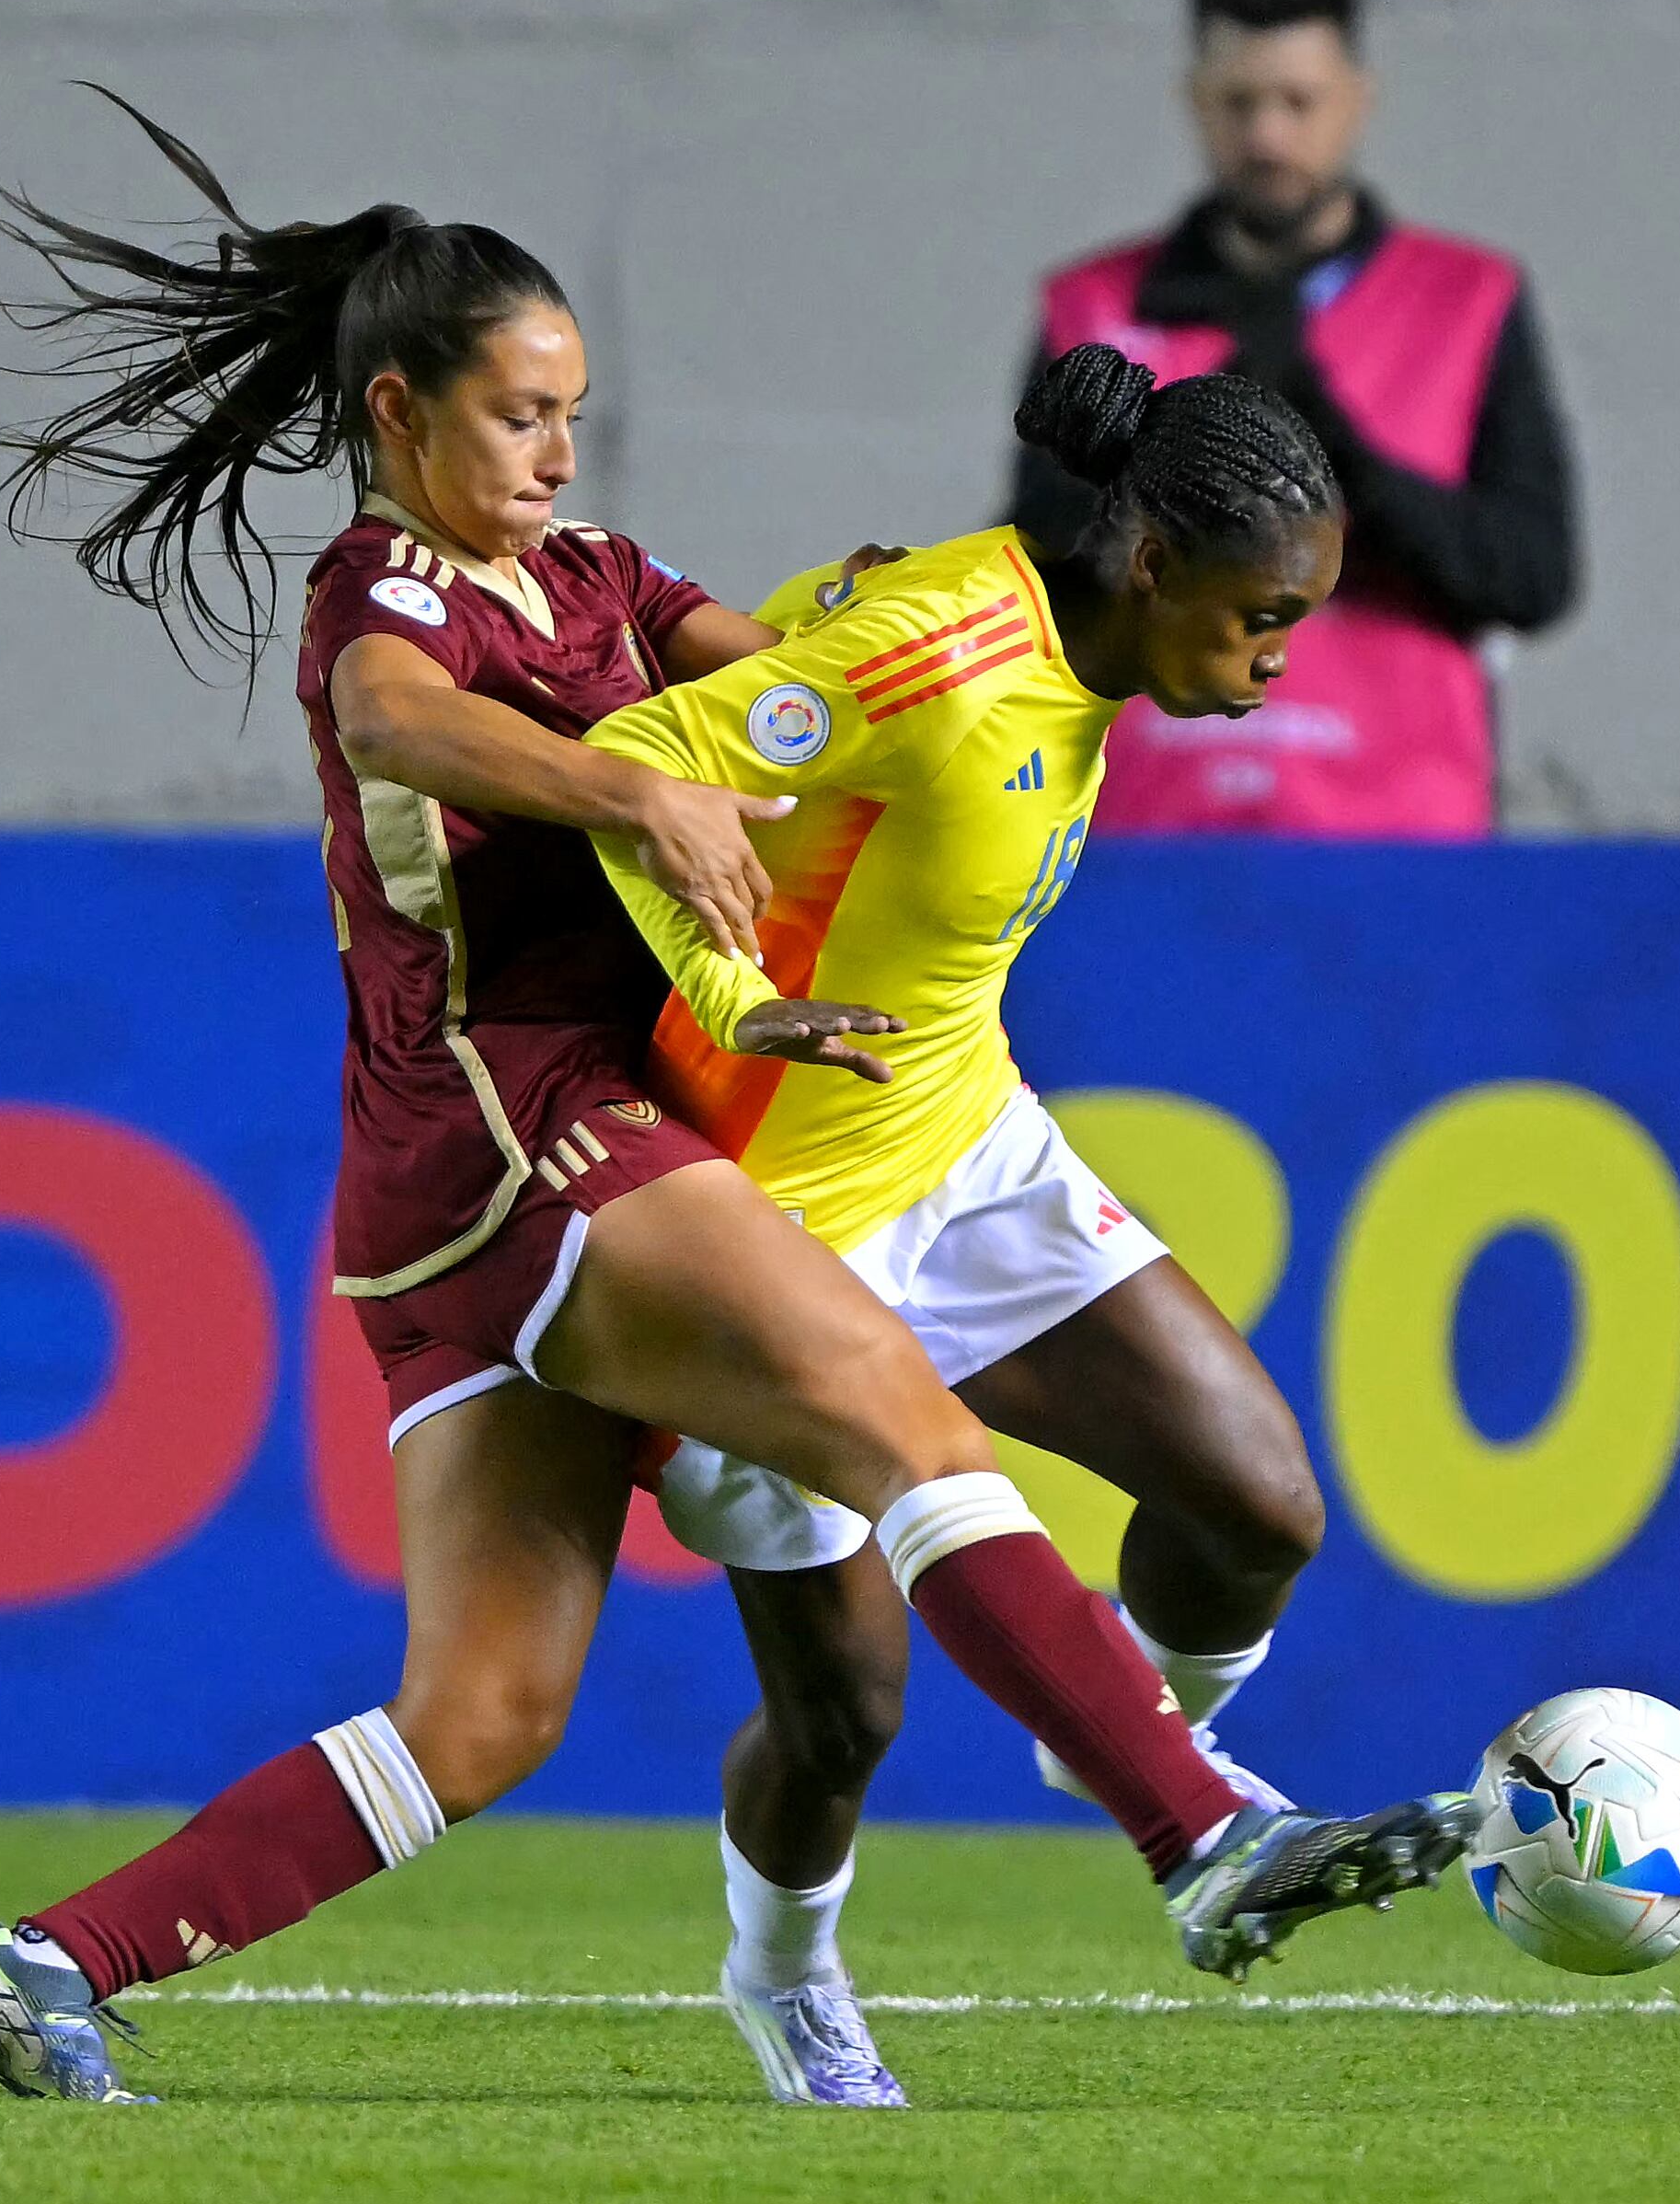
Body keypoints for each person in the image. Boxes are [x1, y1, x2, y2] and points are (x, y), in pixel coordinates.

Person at [0, 93, 1477, 2106]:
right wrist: (636, 782)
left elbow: (792, 688)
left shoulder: (596, 577)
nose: (558, 454)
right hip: (525, 1134)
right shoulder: (384, 611)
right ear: (398, 417)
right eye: (518, 417)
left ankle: (43, 1962)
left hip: (476, 1200)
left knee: (481, 1715)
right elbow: (404, 724)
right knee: (891, 1407)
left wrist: (884, 633)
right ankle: (1203, 1832)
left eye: (573, 414)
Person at [583, 343, 1400, 2108]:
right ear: (1154, 563)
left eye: (1304, 623)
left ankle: (1131, 1736)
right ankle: (785, 1975)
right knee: (843, 1720)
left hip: (962, 1145)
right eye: (1265, 617)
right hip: (774, 1228)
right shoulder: (942, 650)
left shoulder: (1079, 655)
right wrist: (731, 996)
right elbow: (642, 762)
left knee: (1259, 1501)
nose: (1279, 659)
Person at [1013, 0, 1582, 837]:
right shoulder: (1095, 305)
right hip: (1144, 832)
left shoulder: (1466, 301)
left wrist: (1344, 463)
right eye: (1238, 102)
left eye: (1297, 101)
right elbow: (1037, 571)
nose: (1267, 135)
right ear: (1193, 103)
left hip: (1399, 836)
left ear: (1357, 100)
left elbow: (1533, 576)